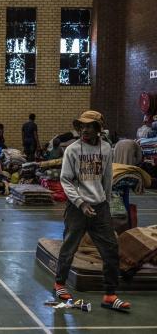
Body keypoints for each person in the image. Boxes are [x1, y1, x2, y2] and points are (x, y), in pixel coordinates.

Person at [53, 110, 131, 312]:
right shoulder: (72, 150)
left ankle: (110, 295)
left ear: (98, 129)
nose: (85, 129)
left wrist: (104, 201)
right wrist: (80, 202)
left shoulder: (106, 149)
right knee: (70, 246)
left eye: (90, 126)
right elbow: (66, 180)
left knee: (111, 248)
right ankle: (60, 285)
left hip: (100, 206)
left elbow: (107, 177)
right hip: (77, 208)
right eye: (82, 126)